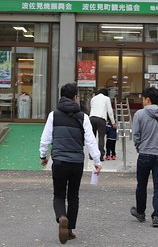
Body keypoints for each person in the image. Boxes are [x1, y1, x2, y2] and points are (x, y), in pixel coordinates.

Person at [39, 83, 102, 244]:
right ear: (75, 97)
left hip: (59, 160)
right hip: (76, 162)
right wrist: (97, 160)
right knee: (73, 196)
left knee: (59, 194)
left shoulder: (54, 115)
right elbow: (90, 140)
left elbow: (45, 138)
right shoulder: (83, 117)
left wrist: (43, 156)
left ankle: (61, 217)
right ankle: (69, 229)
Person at [130, 87, 158, 228]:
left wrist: (139, 146)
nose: (142, 101)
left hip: (144, 154)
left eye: (143, 98)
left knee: (141, 185)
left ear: (147, 99)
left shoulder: (139, 114)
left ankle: (141, 212)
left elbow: (136, 135)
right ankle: (156, 216)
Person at [89, 88, 115, 161]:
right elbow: (110, 111)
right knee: (101, 137)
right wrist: (113, 122)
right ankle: (100, 156)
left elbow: (91, 108)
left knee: (92, 137)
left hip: (92, 118)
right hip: (101, 119)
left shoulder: (93, 98)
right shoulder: (106, 99)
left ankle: (91, 155)